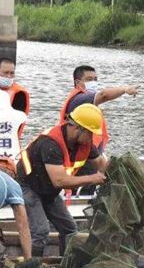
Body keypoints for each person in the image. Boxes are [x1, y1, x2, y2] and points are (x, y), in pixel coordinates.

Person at [17, 103, 107, 256]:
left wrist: (106, 174)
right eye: (90, 133)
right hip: (28, 187)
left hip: (49, 191)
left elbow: (100, 162)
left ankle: (64, 265)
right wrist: (92, 178)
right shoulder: (50, 144)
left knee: (69, 229)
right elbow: (59, 181)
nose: (91, 137)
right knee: (40, 232)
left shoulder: (84, 143)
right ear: (78, 128)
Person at [59, 65, 140, 153]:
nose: (93, 82)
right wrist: (125, 89)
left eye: (95, 79)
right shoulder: (80, 98)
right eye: (89, 79)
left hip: (89, 149)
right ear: (78, 83)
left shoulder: (85, 97)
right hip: (81, 151)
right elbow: (103, 95)